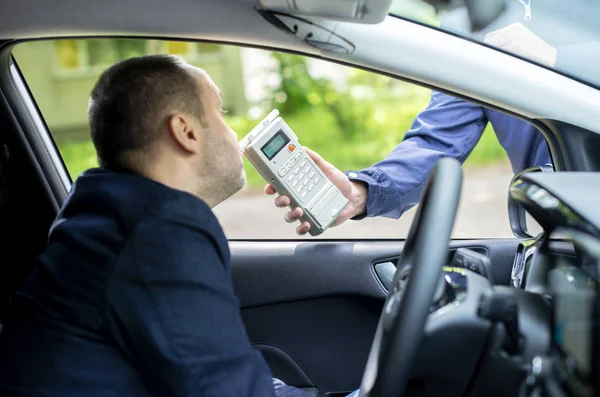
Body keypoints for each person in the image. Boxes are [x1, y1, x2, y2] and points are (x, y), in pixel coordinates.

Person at [0, 55, 312, 397]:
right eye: (220, 113)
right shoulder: (157, 235)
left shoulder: (106, 220)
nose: (232, 131)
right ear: (185, 131)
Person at [266, 7, 571, 235]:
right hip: (564, 228)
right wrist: (361, 192)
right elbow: (439, 140)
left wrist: (563, 60)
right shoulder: (471, 20)